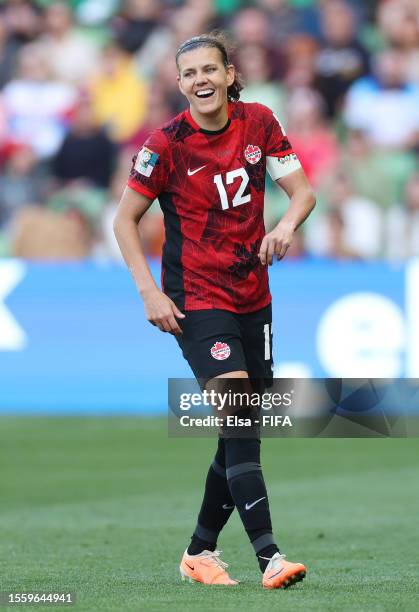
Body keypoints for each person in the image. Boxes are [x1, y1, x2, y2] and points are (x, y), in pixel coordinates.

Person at [114, 32, 315, 589]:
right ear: (179, 85)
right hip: (196, 298)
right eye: (190, 74)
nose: (201, 80)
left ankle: (199, 552)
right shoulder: (167, 144)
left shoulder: (260, 123)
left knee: (244, 426)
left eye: (210, 69)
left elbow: (302, 193)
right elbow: (123, 219)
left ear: (229, 74)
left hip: (255, 295)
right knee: (237, 411)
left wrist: (284, 225)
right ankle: (270, 556)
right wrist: (149, 292)